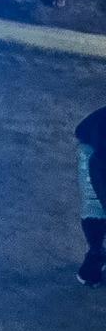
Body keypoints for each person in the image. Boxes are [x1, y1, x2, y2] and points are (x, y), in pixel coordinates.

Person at [76, 107, 106, 286]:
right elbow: (98, 165)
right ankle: (96, 253)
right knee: (94, 207)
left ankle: (96, 254)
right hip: (93, 144)